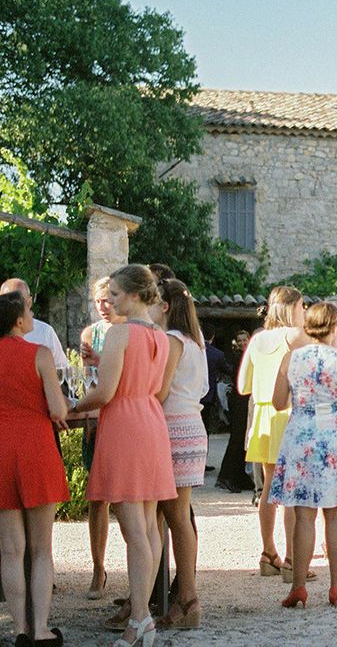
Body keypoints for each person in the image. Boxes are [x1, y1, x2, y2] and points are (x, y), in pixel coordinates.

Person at [69, 264, 177, 647]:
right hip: (150, 419)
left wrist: (71, 408)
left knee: (134, 531)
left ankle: (139, 618)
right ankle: (142, 615)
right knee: (148, 527)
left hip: (125, 424)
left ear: (133, 295)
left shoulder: (119, 332)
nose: (109, 301)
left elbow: (105, 392)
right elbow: (146, 381)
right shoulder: (160, 335)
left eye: (114, 294)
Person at [270, 302, 337, 608]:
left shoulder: (291, 358)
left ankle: (298, 585)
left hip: (301, 434)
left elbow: (277, 403)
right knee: (336, 514)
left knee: (303, 515)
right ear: (333, 326)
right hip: (335, 435)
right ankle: (336, 586)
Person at [0, 290, 69, 647]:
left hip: (0, 448)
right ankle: (41, 629)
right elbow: (58, 410)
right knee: (42, 548)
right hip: (35, 447)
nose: (31, 315)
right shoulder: (39, 354)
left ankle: (19, 631)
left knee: (10, 550)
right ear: (18, 319)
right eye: (27, 310)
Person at [237, 286, 312, 583]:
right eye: (302, 305)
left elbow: (244, 385)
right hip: (289, 412)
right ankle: (293, 561)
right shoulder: (294, 336)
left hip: (263, 414)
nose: (305, 311)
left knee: (269, 486)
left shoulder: (257, 339)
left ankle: (268, 553)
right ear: (291, 307)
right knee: (292, 490)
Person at [149, 278, 209, 628]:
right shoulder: (195, 341)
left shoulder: (172, 341)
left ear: (166, 306)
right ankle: (183, 600)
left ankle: (187, 597)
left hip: (173, 428)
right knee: (180, 516)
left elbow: (160, 391)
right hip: (192, 424)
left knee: (174, 517)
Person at [79, 277, 128, 600]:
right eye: (98, 301)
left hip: (122, 419)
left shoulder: (128, 332)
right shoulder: (89, 334)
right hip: (95, 420)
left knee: (126, 499)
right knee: (97, 499)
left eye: (107, 300)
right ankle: (98, 569)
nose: (103, 306)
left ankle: (137, 568)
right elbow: (85, 380)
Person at [216, 330, 255, 493]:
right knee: (238, 437)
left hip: (244, 398)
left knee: (242, 437)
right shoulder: (237, 357)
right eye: (239, 340)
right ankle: (227, 477)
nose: (242, 343)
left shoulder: (246, 356)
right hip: (240, 399)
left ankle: (238, 476)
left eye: (244, 339)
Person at [0, 279, 67, 369]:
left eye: (18, 303)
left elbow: (62, 369)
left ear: (29, 302)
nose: (14, 309)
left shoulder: (45, 332)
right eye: (9, 303)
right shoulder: (42, 353)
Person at [200, 325, 231, 445]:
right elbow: (228, 370)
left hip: (192, 394)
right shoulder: (217, 354)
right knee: (205, 426)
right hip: (208, 394)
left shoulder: (193, 350)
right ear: (212, 337)